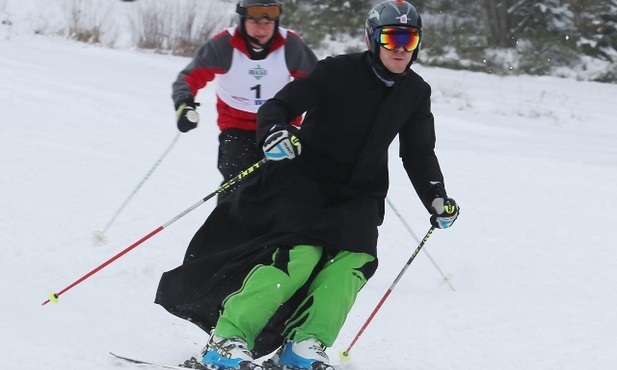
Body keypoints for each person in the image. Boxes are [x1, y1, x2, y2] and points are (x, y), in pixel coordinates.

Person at [155, 1, 460, 370]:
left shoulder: (415, 91)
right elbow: (277, 107)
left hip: (361, 193)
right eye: (392, 37)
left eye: (408, 40)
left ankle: (304, 345)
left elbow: (418, 153)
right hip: (305, 181)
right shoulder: (336, 72)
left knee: (354, 263)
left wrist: (436, 196)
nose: (399, 48)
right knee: (301, 255)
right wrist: (276, 133)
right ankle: (227, 340)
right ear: (372, 39)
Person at [172, 0, 317, 202]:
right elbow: (188, 78)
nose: (262, 28)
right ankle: (226, 228)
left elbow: (318, 85)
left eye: (269, 22)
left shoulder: (290, 46)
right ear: (242, 19)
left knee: (284, 185)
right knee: (238, 182)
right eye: (255, 21)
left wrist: (317, 121)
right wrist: (184, 104)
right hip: (237, 125)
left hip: (280, 126)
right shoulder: (224, 45)